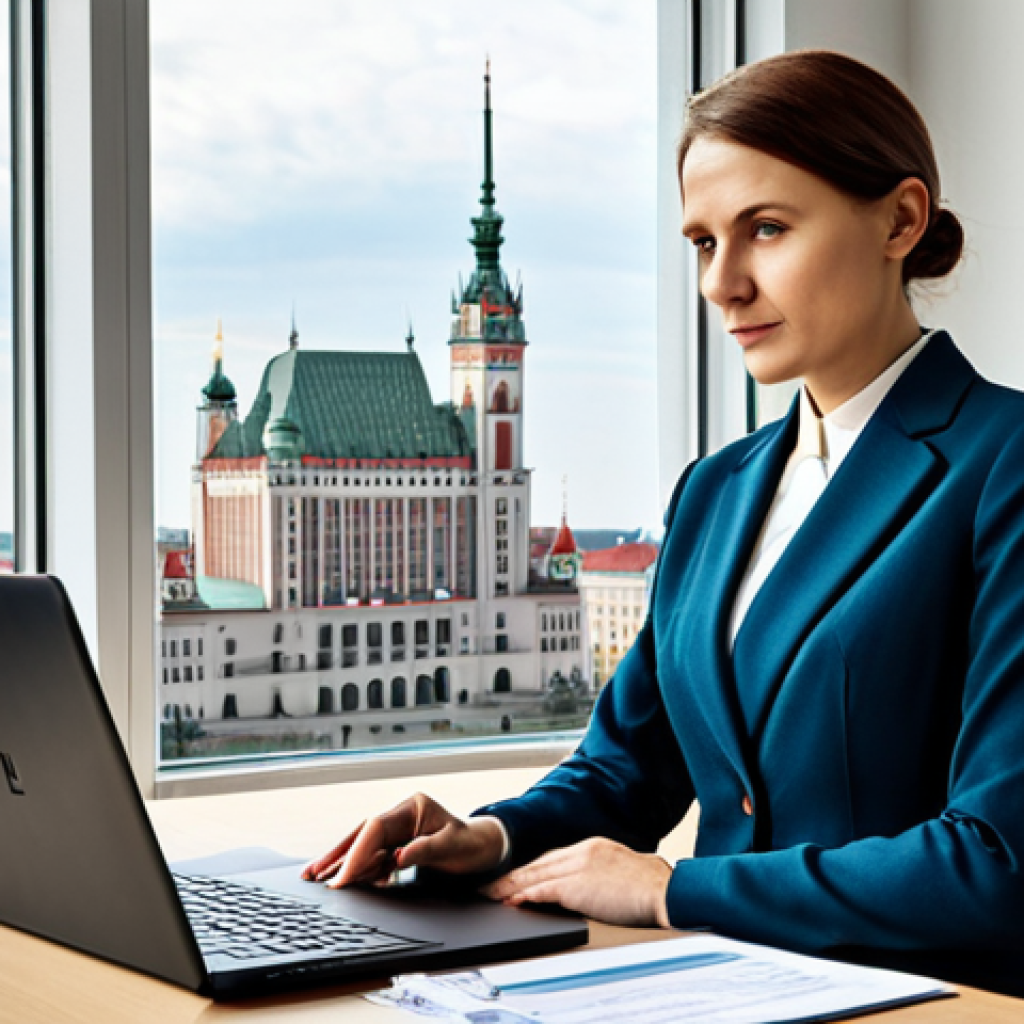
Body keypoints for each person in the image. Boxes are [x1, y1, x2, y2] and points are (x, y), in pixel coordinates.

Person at [304, 50, 1024, 996]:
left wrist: (674, 889)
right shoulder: (716, 488)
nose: (723, 284)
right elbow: (627, 768)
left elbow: (997, 865)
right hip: (719, 990)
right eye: (701, 242)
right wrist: (490, 836)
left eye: (765, 229)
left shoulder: (1002, 461)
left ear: (900, 219)